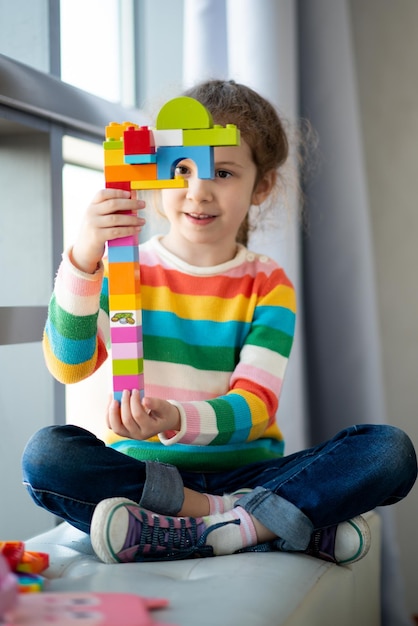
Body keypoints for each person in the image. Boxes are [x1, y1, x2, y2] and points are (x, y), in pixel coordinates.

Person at [22, 79, 417, 566]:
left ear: (262, 185)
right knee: (47, 456)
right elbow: (70, 365)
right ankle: (252, 522)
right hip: (148, 477)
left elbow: (255, 406)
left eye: (223, 172)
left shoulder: (268, 284)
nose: (198, 190)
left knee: (387, 451)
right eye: (182, 168)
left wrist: (176, 417)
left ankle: (204, 526)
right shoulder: (126, 268)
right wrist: (83, 259)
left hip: (250, 472)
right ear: (155, 170)